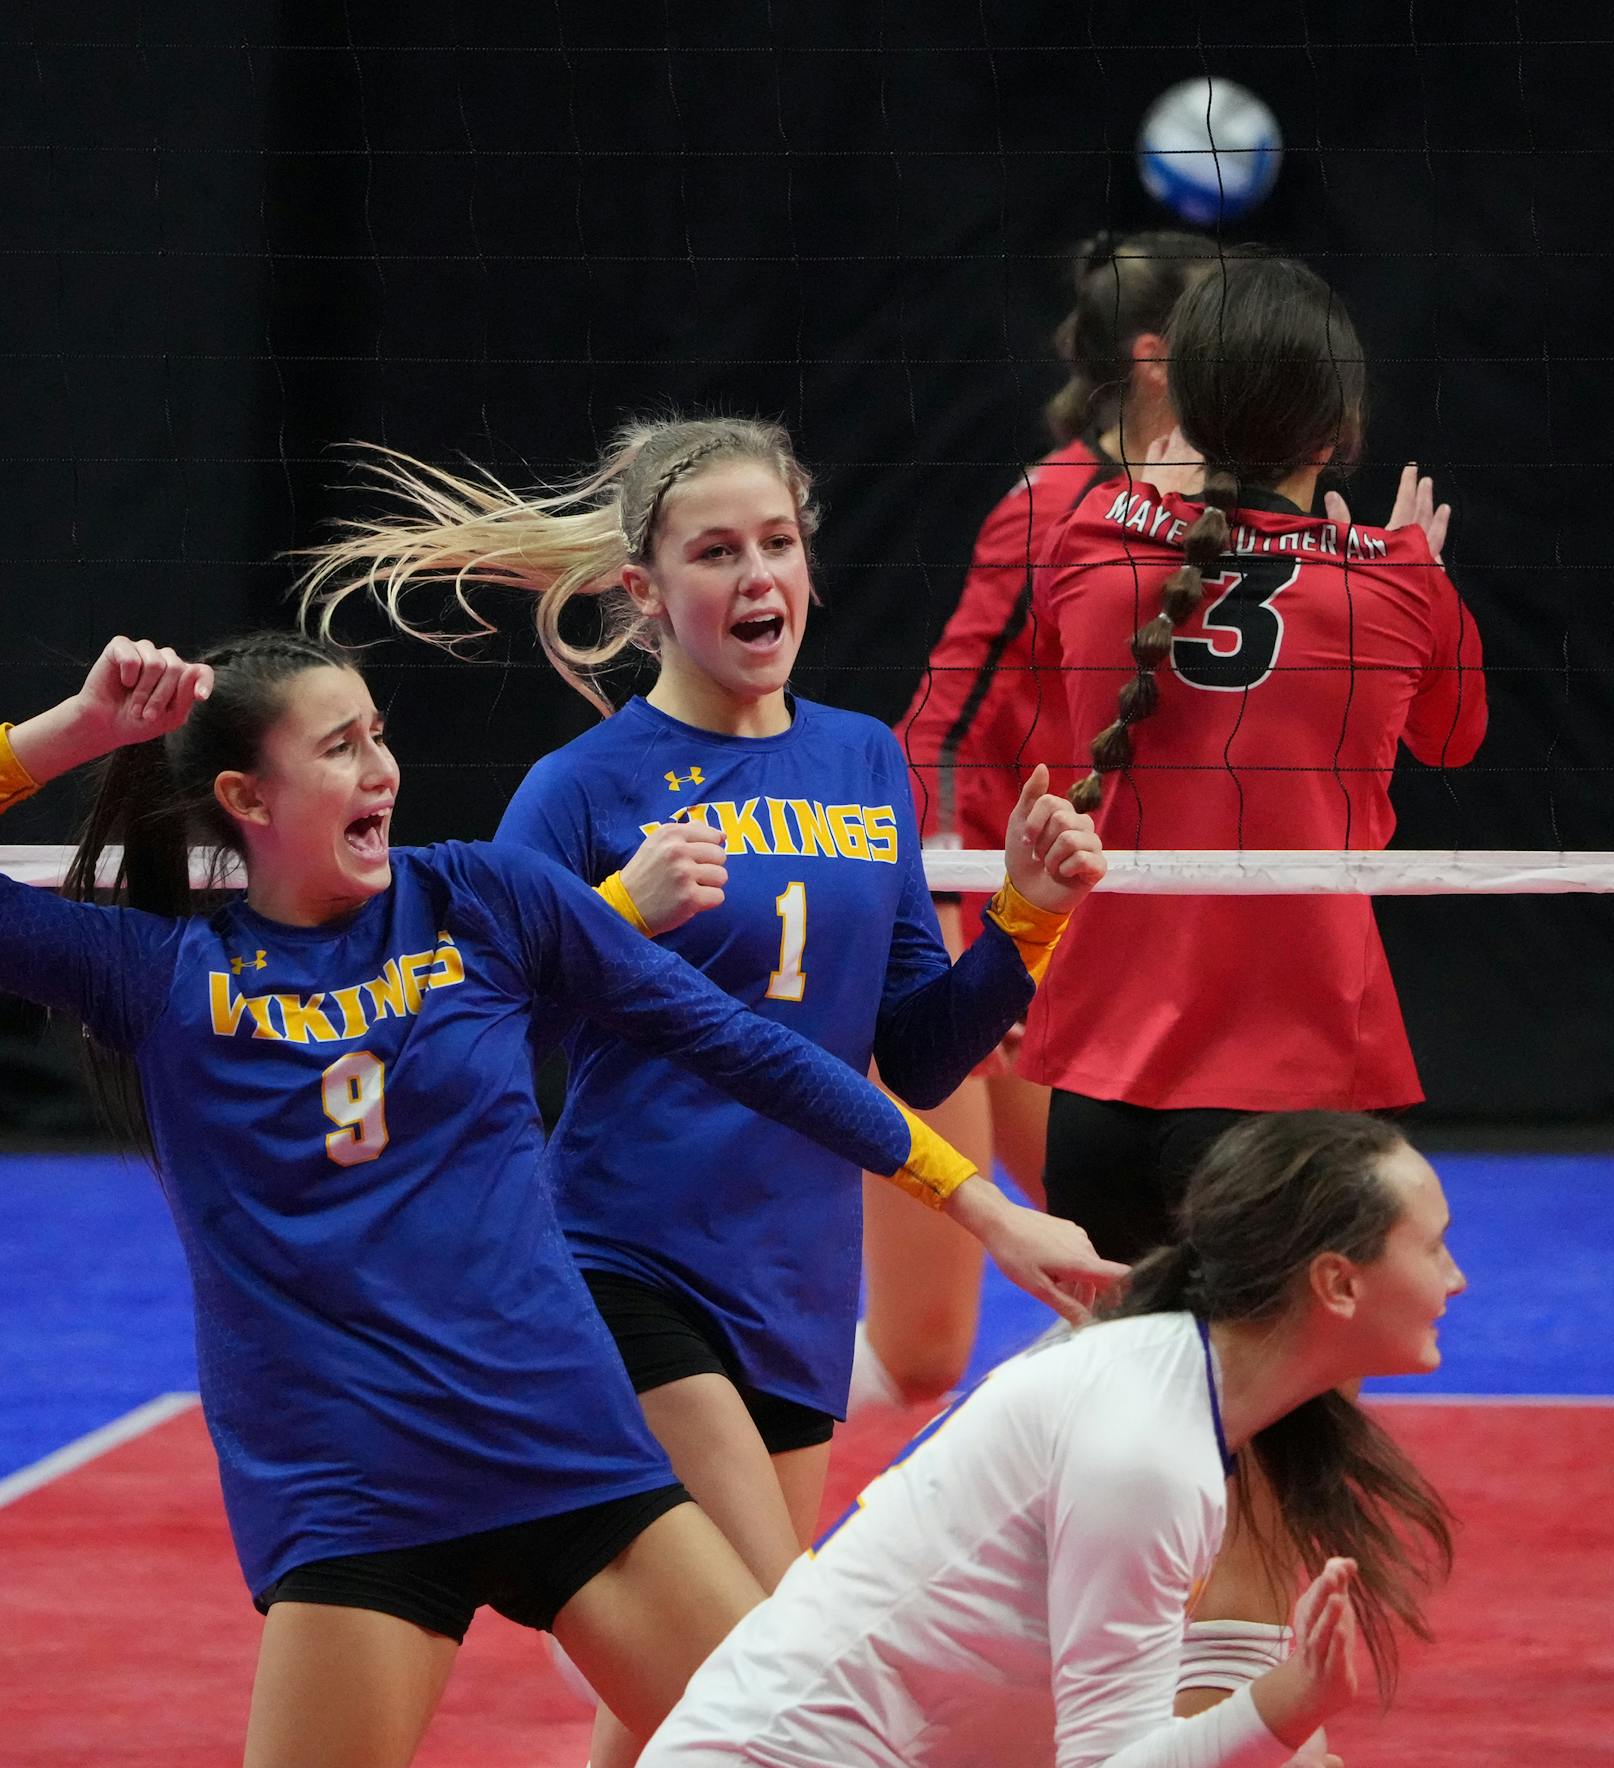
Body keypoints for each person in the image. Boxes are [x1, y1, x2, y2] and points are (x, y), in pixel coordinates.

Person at [0, 629, 1093, 1768]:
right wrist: (82, 728)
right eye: (339, 748)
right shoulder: (159, 975)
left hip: (564, 1448)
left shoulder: (483, 897)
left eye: (379, 734)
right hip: (357, 1488)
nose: (381, 769)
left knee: (811, 1749)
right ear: (246, 798)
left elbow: (744, 1047)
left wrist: (980, 1204)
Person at [297, 417, 1122, 1766]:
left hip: (795, 1285)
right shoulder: (582, 786)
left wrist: (1027, 918)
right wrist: (613, 914)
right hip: (626, 1263)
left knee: (684, 1705)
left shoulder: (862, 760)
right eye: (717, 551)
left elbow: (913, 1055)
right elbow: (466, 1038)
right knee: (790, 1664)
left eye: (778, 544)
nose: (758, 577)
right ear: (645, 589)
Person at [640, 1110, 1460, 1768]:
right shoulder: (1147, 1454)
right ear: (1336, 1283)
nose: (1455, 1278)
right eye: (1432, 1247)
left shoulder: (1163, 1387)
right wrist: (1285, 1709)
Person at [1022, 254, 1487, 1263]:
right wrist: (1416, 573)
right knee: (1291, 1372)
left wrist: (1142, 499)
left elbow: (1074, 619)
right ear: (1335, 430)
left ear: (1184, 406)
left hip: (1101, 1087)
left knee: (1124, 1362)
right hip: (1295, 1096)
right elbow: (1453, 740)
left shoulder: (1091, 538)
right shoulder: (1398, 584)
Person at [870, 231, 1215, 1411]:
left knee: (1143, 1277)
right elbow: (938, 722)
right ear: (1158, 359)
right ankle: (651, 1418)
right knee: (922, 1351)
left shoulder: (1217, 510)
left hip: (1058, 933)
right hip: (956, 924)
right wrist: (939, 919)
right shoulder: (1054, 505)